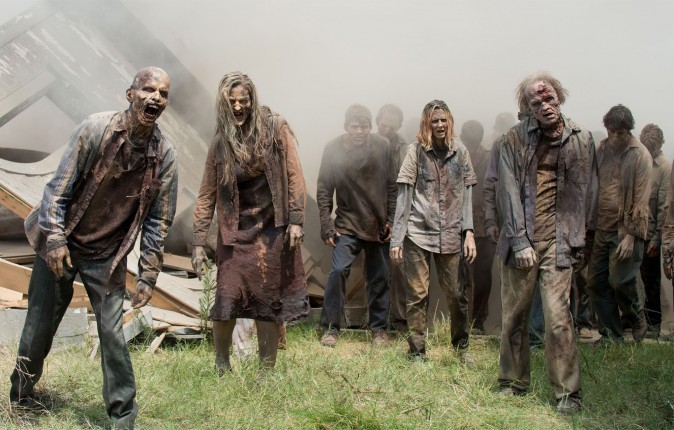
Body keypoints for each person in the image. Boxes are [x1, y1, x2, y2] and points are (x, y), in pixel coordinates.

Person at [10, 67, 178, 429]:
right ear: (130, 94)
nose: (155, 98)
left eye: (163, 93)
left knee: (113, 336)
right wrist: (55, 240)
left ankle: (123, 418)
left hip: (107, 256)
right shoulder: (95, 129)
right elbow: (57, 189)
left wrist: (148, 275)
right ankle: (20, 398)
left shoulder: (164, 155)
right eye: (148, 89)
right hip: (63, 240)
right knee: (38, 327)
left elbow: (159, 221)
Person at [192, 71, 308, 373]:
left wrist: (296, 220)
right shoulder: (221, 141)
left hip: (271, 231)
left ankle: (266, 371)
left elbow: (295, 174)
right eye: (231, 102)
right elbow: (206, 192)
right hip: (235, 233)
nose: (238, 107)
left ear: (253, 99)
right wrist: (198, 241)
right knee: (226, 298)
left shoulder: (275, 127)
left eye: (243, 100)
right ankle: (221, 364)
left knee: (267, 304)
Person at [496, 72, 597, 415]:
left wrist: (583, 239)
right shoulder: (512, 139)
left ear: (560, 96)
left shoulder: (582, 138)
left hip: (560, 241)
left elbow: (590, 191)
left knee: (558, 319)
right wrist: (519, 240)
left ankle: (567, 393)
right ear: (527, 107)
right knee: (515, 316)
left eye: (549, 98)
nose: (545, 105)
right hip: (521, 239)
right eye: (536, 102)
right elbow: (507, 191)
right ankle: (512, 381)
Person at [390, 100, 477, 361]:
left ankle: (461, 348)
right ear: (426, 123)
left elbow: (467, 193)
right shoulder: (415, 152)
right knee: (417, 295)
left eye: (443, 120)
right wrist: (397, 238)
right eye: (434, 121)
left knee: (457, 295)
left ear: (450, 121)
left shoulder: (461, 151)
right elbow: (404, 194)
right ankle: (417, 351)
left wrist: (469, 232)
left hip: (450, 233)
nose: (439, 125)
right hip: (418, 232)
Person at [317, 104, 396, 347]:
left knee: (379, 277)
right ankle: (330, 329)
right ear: (346, 126)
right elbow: (324, 188)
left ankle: (379, 330)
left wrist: (391, 220)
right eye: (354, 126)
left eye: (364, 126)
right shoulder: (333, 148)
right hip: (347, 223)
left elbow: (392, 186)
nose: (359, 131)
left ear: (370, 127)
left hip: (377, 224)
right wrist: (326, 225)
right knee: (338, 272)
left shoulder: (382, 146)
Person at [587, 105, 652, 344]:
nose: (615, 136)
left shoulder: (640, 154)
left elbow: (642, 199)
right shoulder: (601, 150)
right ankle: (611, 334)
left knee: (619, 281)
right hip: (602, 227)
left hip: (626, 229)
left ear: (629, 130)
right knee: (595, 282)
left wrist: (632, 235)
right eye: (611, 131)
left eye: (620, 132)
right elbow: (592, 187)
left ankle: (635, 315)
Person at [459, 120, 495, 336]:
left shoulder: (490, 158)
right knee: (460, 275)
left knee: (482, 276)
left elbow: (495, 190)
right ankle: (462, 318)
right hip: (459, 225)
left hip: (483, 225)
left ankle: (478, 320)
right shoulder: (455, 156)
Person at [376, 103, 409, 333]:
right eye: (383, 124)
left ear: (398, 126)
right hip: (370, 214)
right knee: (374, 269)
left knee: (398, 268)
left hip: (397, 215)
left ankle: (400, 321)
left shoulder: (403, 149)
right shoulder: (366, 142)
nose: (386, 128)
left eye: (392, 125)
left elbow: (405, 186)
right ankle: (376, 319)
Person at [639, 124, 670, 338]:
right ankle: (634, 318)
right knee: (633, 279)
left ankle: (653, 323)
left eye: (653, 147)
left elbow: (663, 207)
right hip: (636, 230)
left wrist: (657, 239)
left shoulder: (665, 168)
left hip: (651, 234)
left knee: (651, 281)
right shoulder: (640, 160)